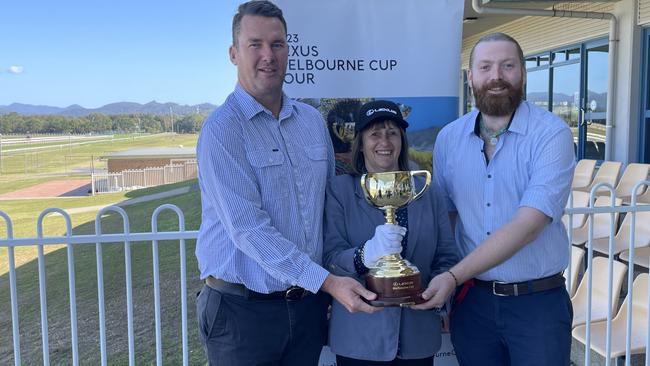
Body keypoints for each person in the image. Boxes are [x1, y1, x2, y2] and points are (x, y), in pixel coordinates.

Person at [195, 2, 378, 365]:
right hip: (241, 314)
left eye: (277, 44)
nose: (268, 55)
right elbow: (249, 228)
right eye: (255, 44)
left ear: (288, 50)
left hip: (307, 307)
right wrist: (328, 282)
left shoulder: (311, 121)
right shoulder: (222, 130)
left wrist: (338, 276)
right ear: (234, 54)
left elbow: (326, 207)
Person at [421, 32, 576, 365]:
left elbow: (528, 225)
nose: (496, 76)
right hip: (472, 303)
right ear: (471, 76)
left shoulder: (552, 134)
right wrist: (448, 288)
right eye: (486, 66)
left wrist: (451, 278)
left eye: (507, 66)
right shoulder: (449, 139)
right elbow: (448, 219)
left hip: (537, 305)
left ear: (522, 72)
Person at [323, 100, 459, 365]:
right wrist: (367, 254)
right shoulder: (339, 191)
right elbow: (330, 257)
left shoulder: (426, 191)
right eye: (374, 133)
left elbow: (446, 255)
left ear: (401, 140)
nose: (384, 141)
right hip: (360, 338)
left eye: (392, 132)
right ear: (361, 143)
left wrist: (440, 296)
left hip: (418, 336)